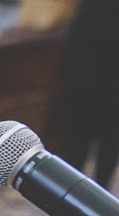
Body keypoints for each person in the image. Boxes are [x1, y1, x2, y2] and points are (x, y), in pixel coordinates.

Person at [59, 0, 119, 190]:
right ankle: (68, 190)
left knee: (113, 126)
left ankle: (101, 194)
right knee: (79, 120)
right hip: (89, 39)